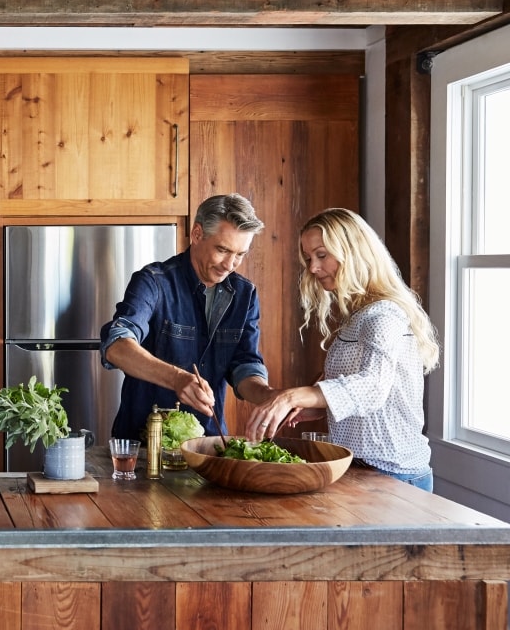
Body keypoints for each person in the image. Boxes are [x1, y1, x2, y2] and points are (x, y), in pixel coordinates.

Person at [245, 208, 439, 491]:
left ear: (353, 251)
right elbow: (361, 393)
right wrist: (315, 406)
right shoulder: (360, 314)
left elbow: (373, 387)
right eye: (309, 258)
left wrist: (295, 396)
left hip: (395, 476)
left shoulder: (383, 315)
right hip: (362, 471)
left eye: (321, 255)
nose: (312, 268)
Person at [101, 193, 277, 440]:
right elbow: (116, 346)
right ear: (196, 234)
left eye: (240, 254)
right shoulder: (153, 282)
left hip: (208, 444)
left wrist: (271, 398)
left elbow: (245, 365)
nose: (230, 264)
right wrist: (178, 379)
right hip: (143, 447)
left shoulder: (245, 294)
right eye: (223, 250)